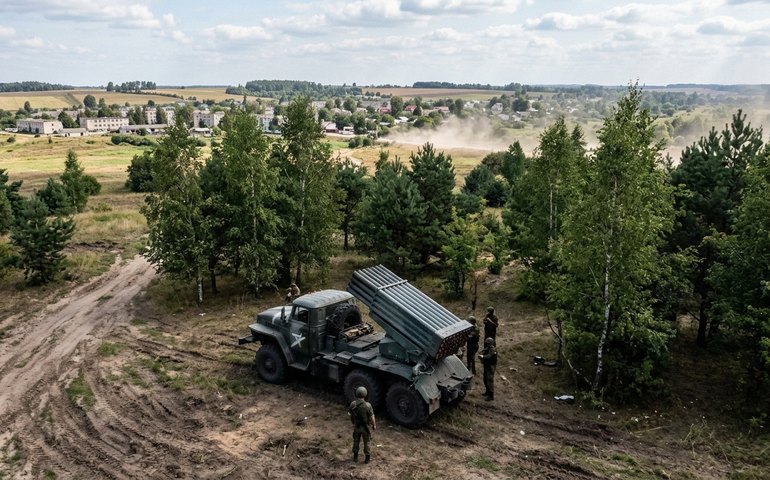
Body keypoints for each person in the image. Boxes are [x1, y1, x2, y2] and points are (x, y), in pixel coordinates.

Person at [349, 386, 376, 464]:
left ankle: (355, 457)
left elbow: (350, 415)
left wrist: (353, 421)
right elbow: (372, 417)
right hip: (365, 428)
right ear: (365, 394)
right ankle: (367, 459)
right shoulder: (368, 405)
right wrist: (374, 425)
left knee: (356, 441)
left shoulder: (353, 404)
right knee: (366, 442)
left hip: (357, 427)